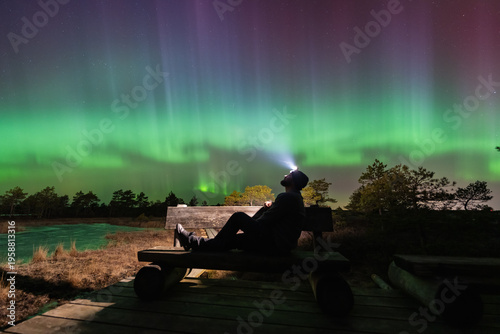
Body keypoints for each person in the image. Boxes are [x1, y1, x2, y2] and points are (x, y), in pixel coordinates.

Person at [174, 170, 309, 255]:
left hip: (273, 244)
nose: (286, 175)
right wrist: (273, 206)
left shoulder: (287, 197)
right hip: (280, 246)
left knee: (238, 217)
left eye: (290, 175)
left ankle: (193, 241)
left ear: (294, 181)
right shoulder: (294, 198)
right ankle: (192, 241)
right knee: (230, 242)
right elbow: (281, 216)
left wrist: (249, 226)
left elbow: (264, 221)